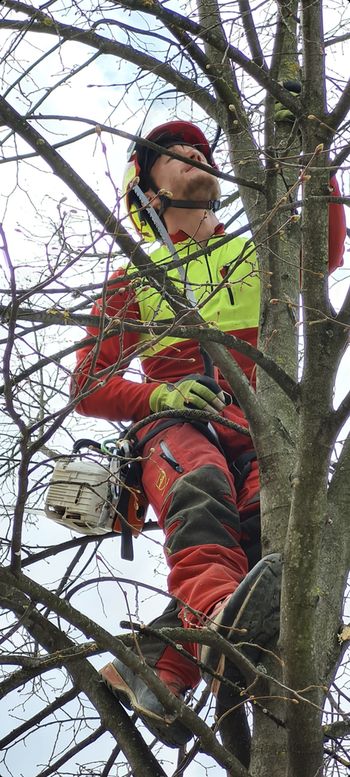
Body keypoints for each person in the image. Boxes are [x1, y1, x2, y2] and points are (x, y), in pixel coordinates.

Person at [73, 120, 346, 748]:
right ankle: (222, 625)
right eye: (175, 154)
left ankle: (159, 667)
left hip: (261, 422)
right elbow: (87, 384)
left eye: (201, 150)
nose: (196, 154)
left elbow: (323, 252)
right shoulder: (136, 277)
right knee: (202, 492)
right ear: (147, 189)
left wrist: (315, 156)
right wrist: (159, 394)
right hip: (178, 422)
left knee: (267, 525)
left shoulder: (259, 251)